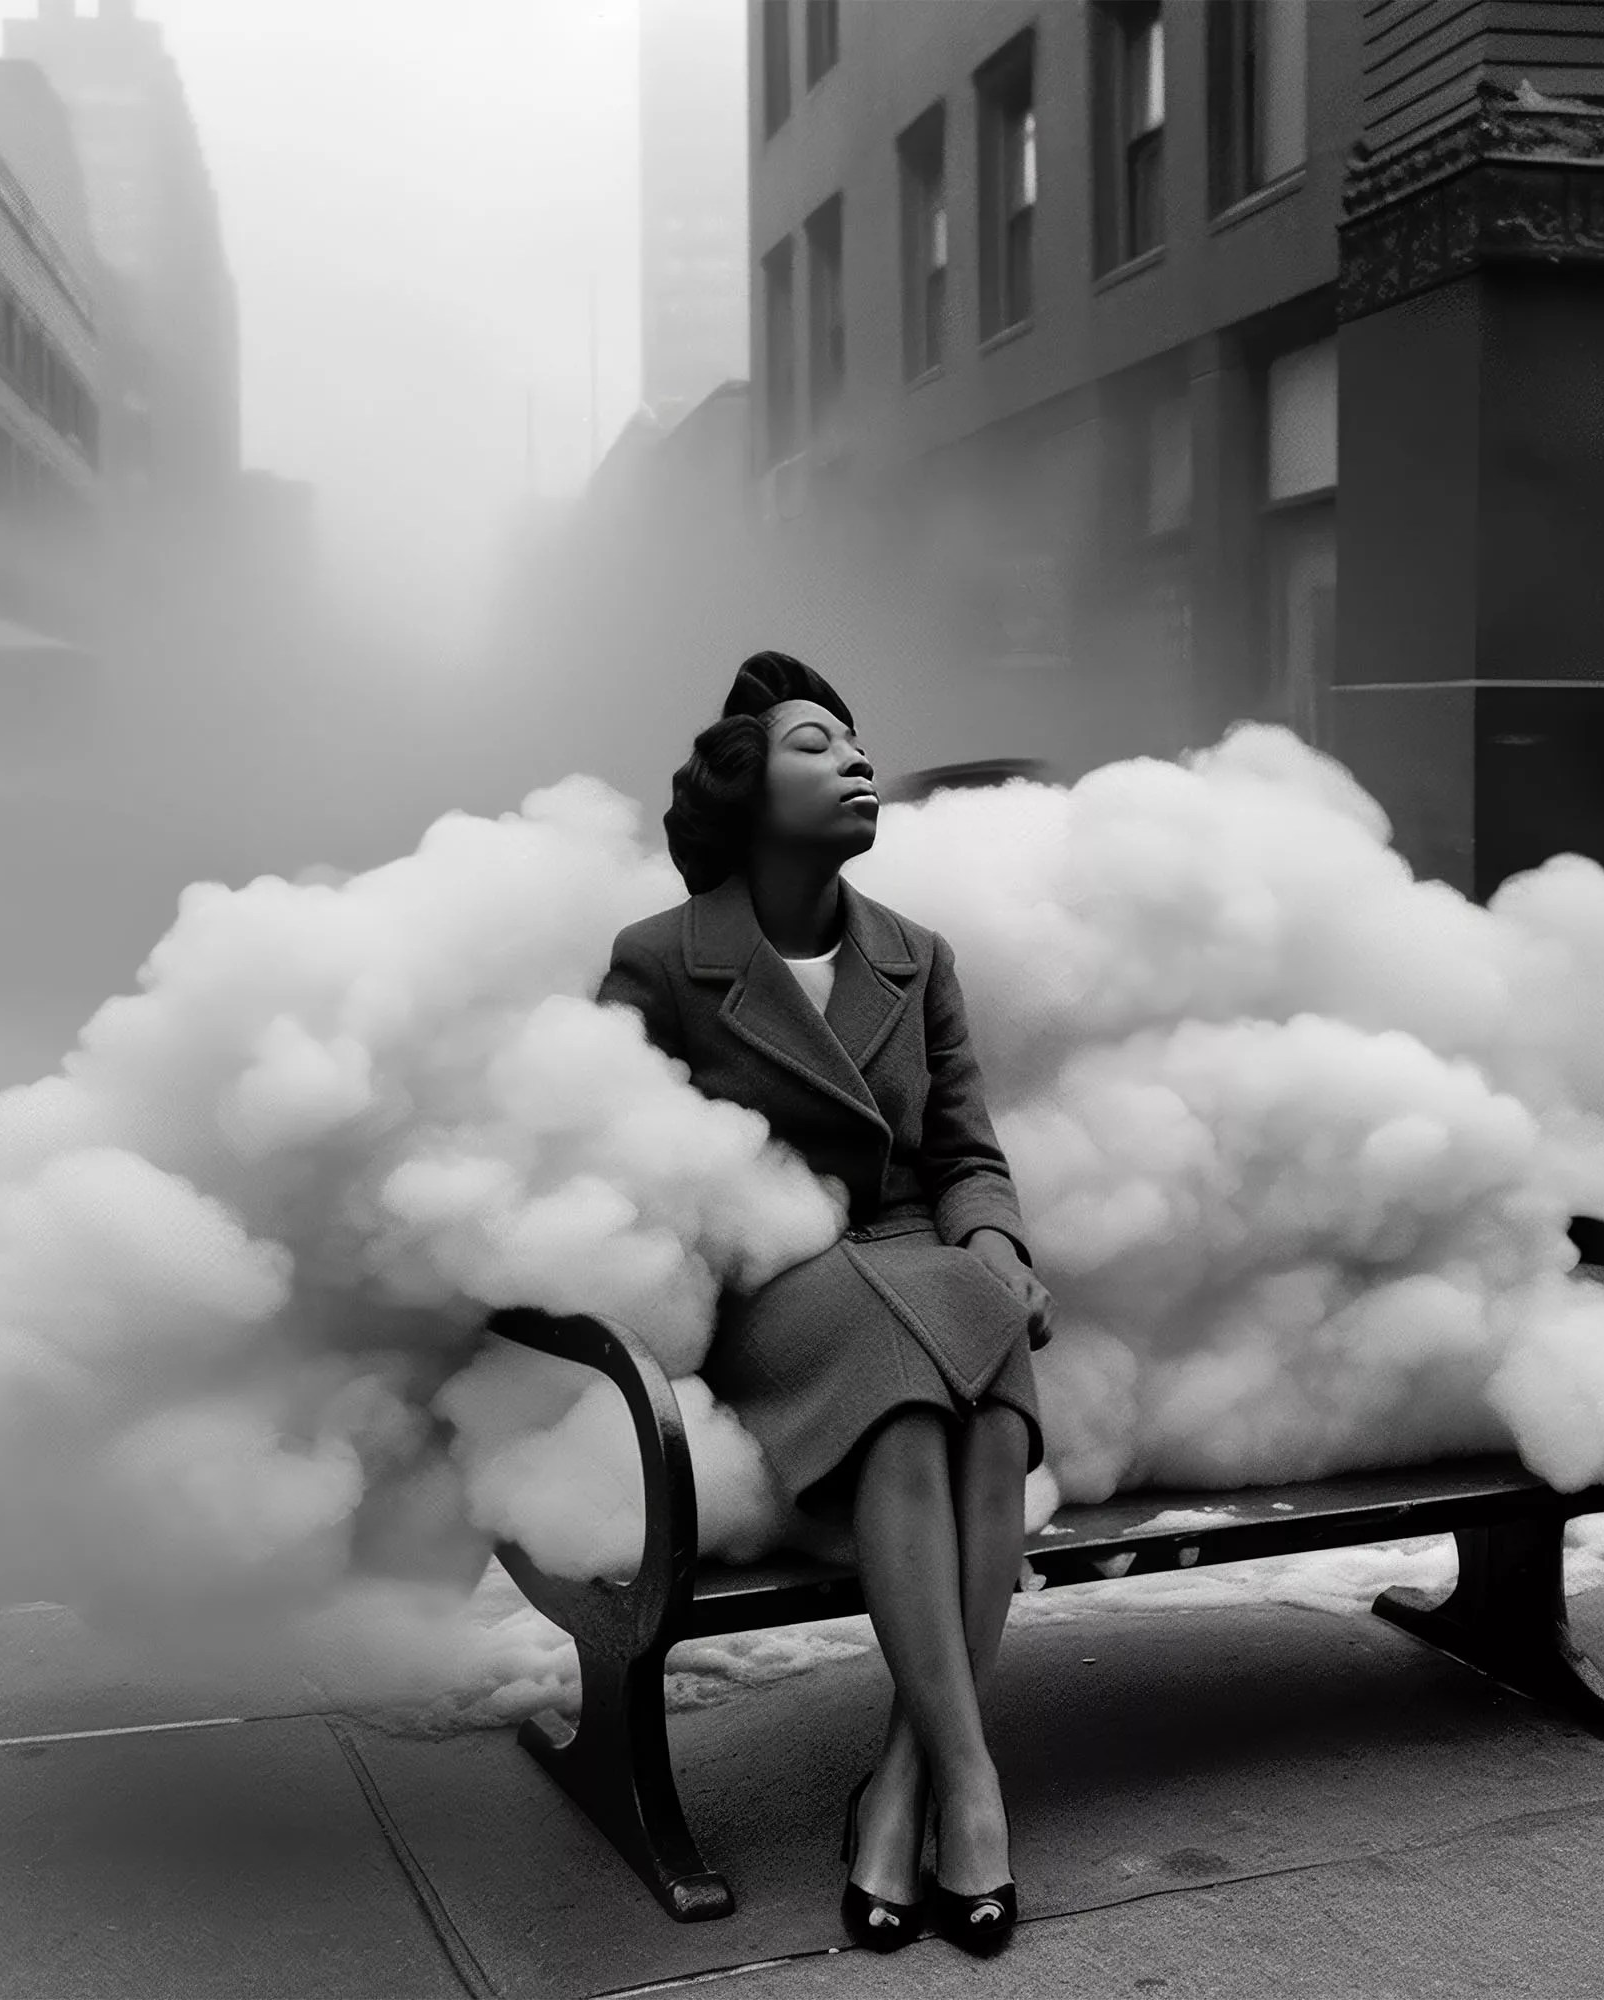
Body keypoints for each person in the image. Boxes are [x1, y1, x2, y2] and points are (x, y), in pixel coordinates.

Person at [595, 650, 1056, 1957]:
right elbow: (616, 1162)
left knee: (995, 1411)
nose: (857, 758)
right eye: (816, 743)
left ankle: (908, 1785)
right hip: (776, 1281)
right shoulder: (660, 961)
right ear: (743, 790)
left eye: (858, 741)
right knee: (910, 1408)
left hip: (919, 1256)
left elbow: (965, 1152)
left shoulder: (917, 955)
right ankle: (971, 1790)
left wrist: (996, 1244)